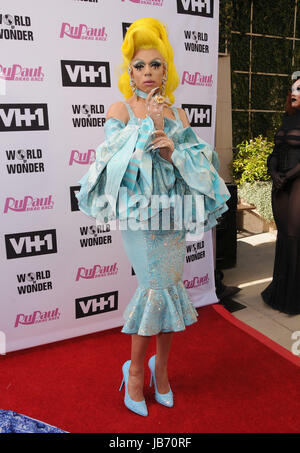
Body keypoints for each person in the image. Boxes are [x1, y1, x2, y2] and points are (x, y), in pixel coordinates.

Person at [76, 17, 230, 417]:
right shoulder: (121, 109)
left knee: (169, 290)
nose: (148, 73)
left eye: (155, 65)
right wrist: (148, 130)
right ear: (130, 72)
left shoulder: (178, 113)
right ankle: (134, 375)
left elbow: (201, 167)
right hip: (140, 220)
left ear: (167, 69)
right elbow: (109, 165)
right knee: (154, 288)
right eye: (140, 66)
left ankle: (160, 369)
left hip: (173, 216)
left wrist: (172, 150)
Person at [261, 72, 300, 314]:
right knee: (284, 236)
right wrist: (274, 171)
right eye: (294, 88)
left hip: (297, 184)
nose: (295, 92)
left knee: (295, 235)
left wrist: (288, 175)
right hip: (281, 185)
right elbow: (276, 150)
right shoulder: (287, 119)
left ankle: (294, 298)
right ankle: (281, 290)